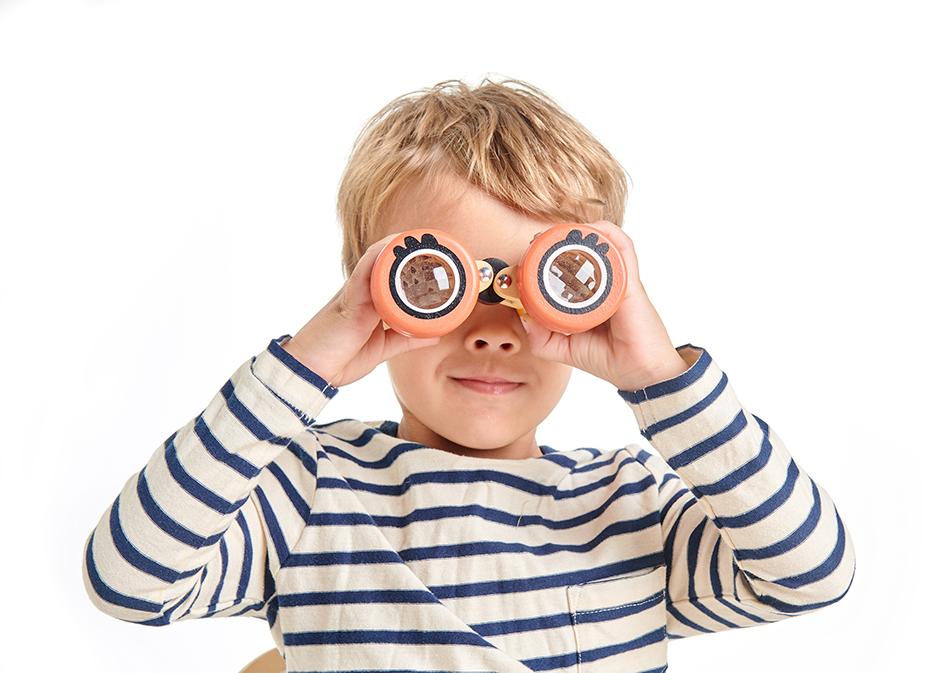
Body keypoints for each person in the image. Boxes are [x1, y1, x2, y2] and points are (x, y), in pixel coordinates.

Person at [82, 78, 856, 673]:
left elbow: (812, 572)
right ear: (369, 289)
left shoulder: (628, 503)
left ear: (595, 299)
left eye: (541, 289)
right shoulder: (307, 491)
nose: (492, 336)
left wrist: (659, 374)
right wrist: (307, 362)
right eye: (437, 287)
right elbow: (128, 578)